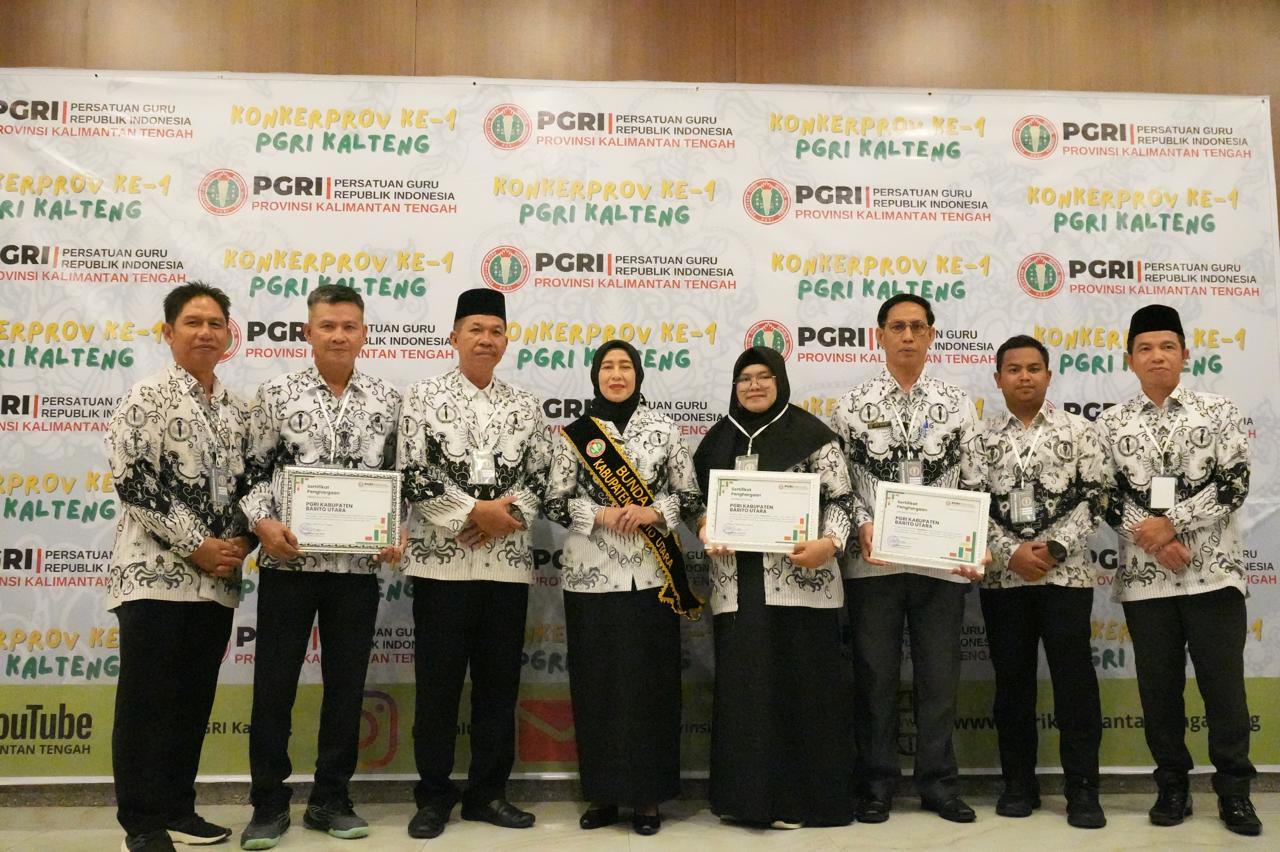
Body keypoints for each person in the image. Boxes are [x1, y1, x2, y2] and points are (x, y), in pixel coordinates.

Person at [237, 286, 404, 849]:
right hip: (288, 566)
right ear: (307, 331)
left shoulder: (386, 399)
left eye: (349, 326)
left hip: (355, 572)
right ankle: (267, 803)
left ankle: (331, 798)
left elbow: (399, 479)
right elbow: (250, 474)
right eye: (327, 325)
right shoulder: (276, 394)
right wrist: (263, 524)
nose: (338, 335)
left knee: (346, 688)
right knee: (274, 687)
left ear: (364, 333)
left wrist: (395, 529)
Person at [1096, 304, 1260, 837]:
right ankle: (1172, 786)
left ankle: (1235, 793)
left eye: (1167, 347)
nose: (1157, 357)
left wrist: (1172, 523)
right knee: (1159, 691)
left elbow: (1234, 484)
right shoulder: (1111, 424)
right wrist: (1154, 537)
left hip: (1213, 576)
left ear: (1185, 354)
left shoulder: (1219, 412)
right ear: (1129, 359)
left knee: (1224, 689)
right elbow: (1104, 495)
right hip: (1148, 583)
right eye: (1145, 348)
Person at [398, 288, 552, 840]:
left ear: (506, 340)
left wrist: (497, 518)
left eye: (495, 331)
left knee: (498, 688)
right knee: (438, 687)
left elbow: (541, 478)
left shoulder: (526, 406)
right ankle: (434, 796)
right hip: (441, 568)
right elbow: (413, 473)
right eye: (476, 330)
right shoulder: (421, 397)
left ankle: (488, 793)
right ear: (455, 337)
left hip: (506, 569)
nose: (486, 340)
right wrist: (472, 513)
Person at [105, 282, 254, 852]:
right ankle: (141, 824)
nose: (205, 332)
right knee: (146, 703)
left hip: (215, 584)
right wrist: (197, 545)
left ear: (228, 335)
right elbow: (135, 483)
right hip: (153, 579)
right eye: (193, 322)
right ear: (168, 333)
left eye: (216, 323)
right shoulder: (145, 398)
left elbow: (254, 487)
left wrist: (241, 542)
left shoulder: (239, 410)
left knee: (193, 701)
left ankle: (177, 808)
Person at [832, 293, 985, 824]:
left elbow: (974, 482)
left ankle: (938, 784)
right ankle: (876, 783)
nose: (907, 336)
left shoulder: (957, 403)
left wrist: (970, 539)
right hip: (873, 563)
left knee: (938, 678)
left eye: (917, 327)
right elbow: (841, 485)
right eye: (897, 327)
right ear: (879, 336)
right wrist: (863, 522)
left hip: (940, 566)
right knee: (874, 677)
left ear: (932, 335)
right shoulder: (852, 405)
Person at [544, 340, 704, 836]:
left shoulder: (664, 429)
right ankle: (602, 795)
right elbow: (554, 501)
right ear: (595, 376)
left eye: (626, 366)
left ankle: (648, 798)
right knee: (598, 687)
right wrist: (600, 513)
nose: (617, 374)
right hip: (590, 578)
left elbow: (689, 495)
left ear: (638, 374)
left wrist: (655, 512)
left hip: (653, 578)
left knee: (651, 687)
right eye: (608, 367)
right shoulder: (576, 435)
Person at [694, 345, 856, 829]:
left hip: (802, 584)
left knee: (804, 691)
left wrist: (830, 543)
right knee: (748, 693)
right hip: (738, 589)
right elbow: (692, 501)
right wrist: (704, 525)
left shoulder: (813, 435)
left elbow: (843, 499)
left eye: (764, 376)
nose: (755, 385)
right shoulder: (717, 440)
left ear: (780, 381)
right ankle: (747, 801)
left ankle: (803, 802)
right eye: (745, 378)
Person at [980, 335, 1106, 828]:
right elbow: (971, 503)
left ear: (1049, 376)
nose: (1025, 377)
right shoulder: (981, 438)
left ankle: (1083, 789)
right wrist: (1011, 552)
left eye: (1034, 368)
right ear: (998, 379)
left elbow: (1096, 498)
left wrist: (1054, 549)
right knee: (1012, 685)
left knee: (1075, 684)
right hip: (1004, 579)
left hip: (1066, 577)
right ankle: (1018, 784)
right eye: (1014, 369)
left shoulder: (1080, 431)